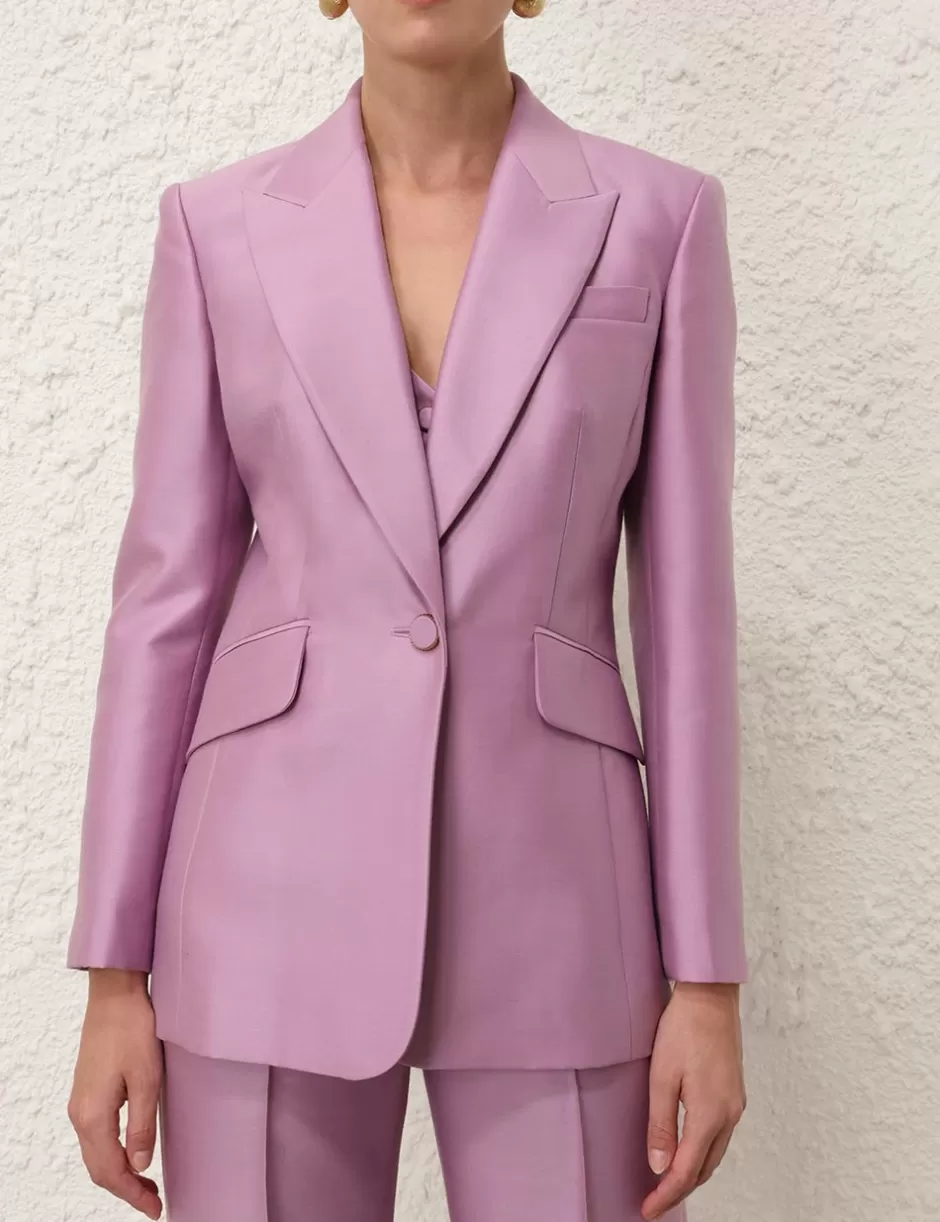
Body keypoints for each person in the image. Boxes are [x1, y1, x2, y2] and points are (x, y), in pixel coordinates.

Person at [64, 1, 749, 1219]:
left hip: (561, 903)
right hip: (259, 902)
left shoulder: (661, 220)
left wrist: (706, 978)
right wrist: (114, 972)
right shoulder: (217, 231)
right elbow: (165, 606)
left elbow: (688, 621)